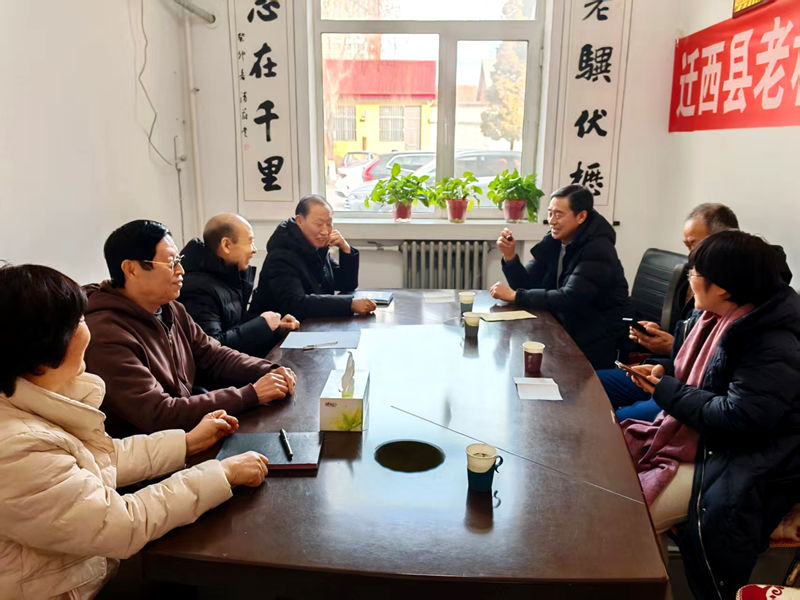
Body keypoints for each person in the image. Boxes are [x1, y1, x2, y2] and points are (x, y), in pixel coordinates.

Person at [0, 264, 271, 599]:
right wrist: (221, 474)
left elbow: (103, 457)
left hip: (90, 566)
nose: (88, 327)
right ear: (42, 347)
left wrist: (186, 443)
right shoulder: (16, 446)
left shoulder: (38, 396)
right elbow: (120, 524)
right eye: (78, 321)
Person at [621, 231, 800, 600]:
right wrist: (664, 376)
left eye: (695, 272)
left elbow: (741, 417)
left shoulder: (771, 338)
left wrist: (667, 391)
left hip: (749, 458)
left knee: (629, 517)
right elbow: (706, 380)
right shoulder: (712, 318)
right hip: (707, 441)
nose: (689, 278)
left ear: (723, 287)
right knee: (616, 482)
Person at [84, 220, 297, 437]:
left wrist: (268, 370)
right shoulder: (106, 335)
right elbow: (159, 413)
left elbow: (214, 355)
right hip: (153, 448)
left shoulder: (170, 308)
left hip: (188, 432)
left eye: (179, 261)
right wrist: (250, 394)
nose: (181, 271)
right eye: (171, 263)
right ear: (131, 269)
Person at [601, 203, 740, 421]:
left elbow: (713, 375)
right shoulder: (702, 285)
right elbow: (688, 342)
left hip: (688, 395)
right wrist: (662, 350)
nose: (691, 256)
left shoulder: (740, 302)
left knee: (616, 422)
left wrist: (671, 348)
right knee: (590, 384)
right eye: (687, 246)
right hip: (671, 375)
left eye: (694, 244)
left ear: (722, 241)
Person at [489, 184, 630, 369]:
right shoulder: (555, 240)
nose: (552, 221)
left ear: (581, 216)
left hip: (594, 341)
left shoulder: (598, 249)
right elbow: (527, 284)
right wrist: (510, 257)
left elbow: (570, 298)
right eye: (550, 213)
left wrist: (516, 296)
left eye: (558, 214)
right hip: (564, 330)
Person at [179, 213, 300, 357]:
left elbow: (236, 333)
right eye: (250, 241)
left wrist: (275, 330)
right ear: (226, 245)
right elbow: (212, 351)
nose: (254, 250)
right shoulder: (197, 289)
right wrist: (262, 325)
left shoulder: (230, 276)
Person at [249, 194, 376, 320]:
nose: (325, 231)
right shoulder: (281, 256)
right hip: (277, 329)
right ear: (299, 221)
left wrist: (346, 249)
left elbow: (346, 284)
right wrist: (349, 305)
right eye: (319, 224)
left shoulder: (317, 247)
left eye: (329, 224)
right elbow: (296, 304)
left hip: (311, 324)